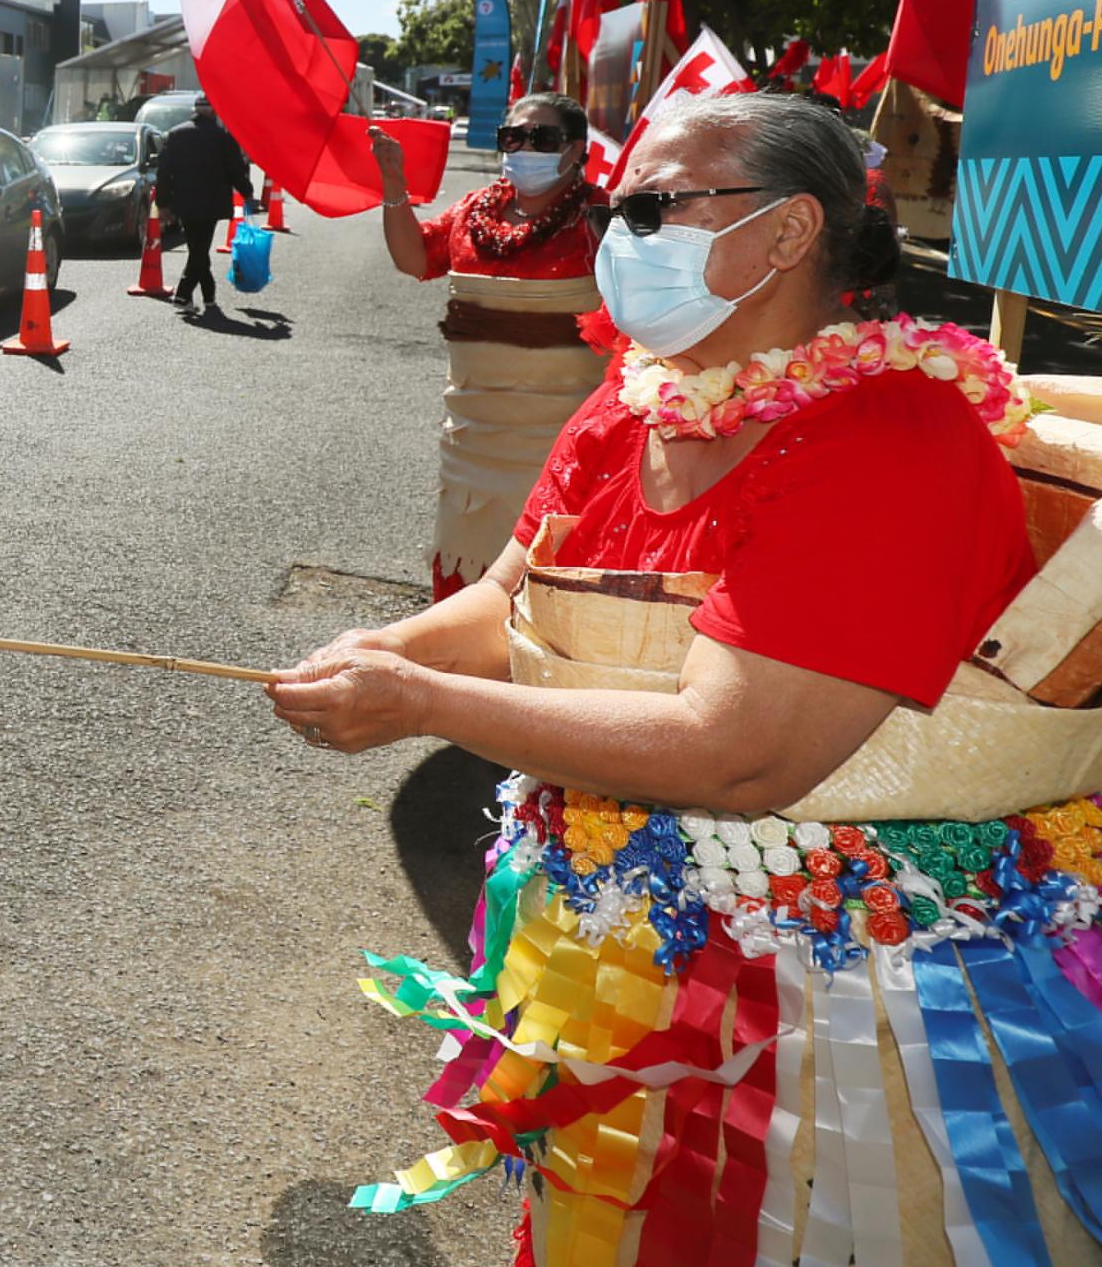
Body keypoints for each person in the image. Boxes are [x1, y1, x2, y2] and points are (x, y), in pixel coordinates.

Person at [276, 93, 1102, 1262]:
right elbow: (512, 595)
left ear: (785, 232)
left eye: (654, 205)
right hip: (614, 966)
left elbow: (740, 746)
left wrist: (416, 704)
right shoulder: (629, 401)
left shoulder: (889, 437)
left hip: (844, 1022)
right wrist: (376, 654)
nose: (621, 235)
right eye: (619, 208)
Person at [373, 93, 606, 601]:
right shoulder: (474, 210)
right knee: (462, 576)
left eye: (541, 138)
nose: (524, 148)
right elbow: (414, 259)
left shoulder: (604, 220)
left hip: (561, 444)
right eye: (512, 137)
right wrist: (394, 183)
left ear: (576, 151)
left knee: (546, 589)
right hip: (472, 441)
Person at [154, 97, 255, 319]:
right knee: (200, 250)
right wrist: (247, 192)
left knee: (196, 248)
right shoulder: (222, 137)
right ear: (212, 112)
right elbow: (235, 170)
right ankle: (185, 295)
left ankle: (205, 297)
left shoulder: (175, 134)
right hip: (212, 202)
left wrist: (163, 204)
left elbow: (164, 173)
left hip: (184, 201)